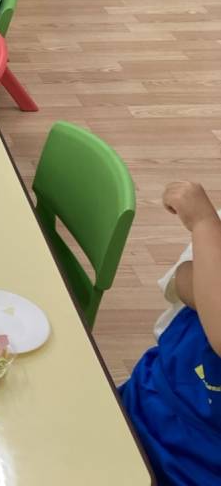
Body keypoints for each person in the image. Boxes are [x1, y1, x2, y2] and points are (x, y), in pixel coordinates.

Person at [119, 180, 221, 485]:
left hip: (198, 462)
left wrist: (203, 223)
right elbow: (182, 279)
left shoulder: (210, 225)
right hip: (148, 398)